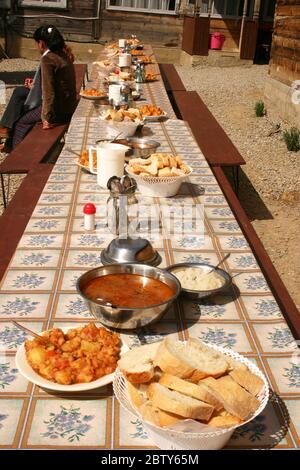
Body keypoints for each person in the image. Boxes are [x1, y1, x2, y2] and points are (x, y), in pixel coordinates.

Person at [0, 25, 77, 152]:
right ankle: (5, 129)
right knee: (20, 92)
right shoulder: (63, 54)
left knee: (21, 122)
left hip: (58, 110)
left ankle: (16, 154)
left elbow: (49, 92)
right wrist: (35, 85)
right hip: (65, 103)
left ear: (41, 43)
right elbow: (55, 83)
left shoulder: (48, 59)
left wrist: (46, 117)